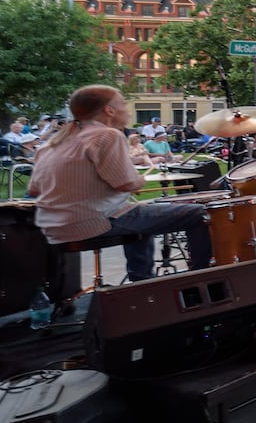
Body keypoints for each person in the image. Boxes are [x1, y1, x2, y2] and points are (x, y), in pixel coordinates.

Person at [28, 84, 213, 281]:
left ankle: (143, 280)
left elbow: (34, 189)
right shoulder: (107, 135)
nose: (127, 110)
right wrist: (138, 180)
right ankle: (201, 279)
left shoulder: (50, 144)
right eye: (123, 104)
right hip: (91, 223)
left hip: (53, 226)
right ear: (109, 110)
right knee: (198, 213)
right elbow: (127, 184)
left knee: (137, 213)